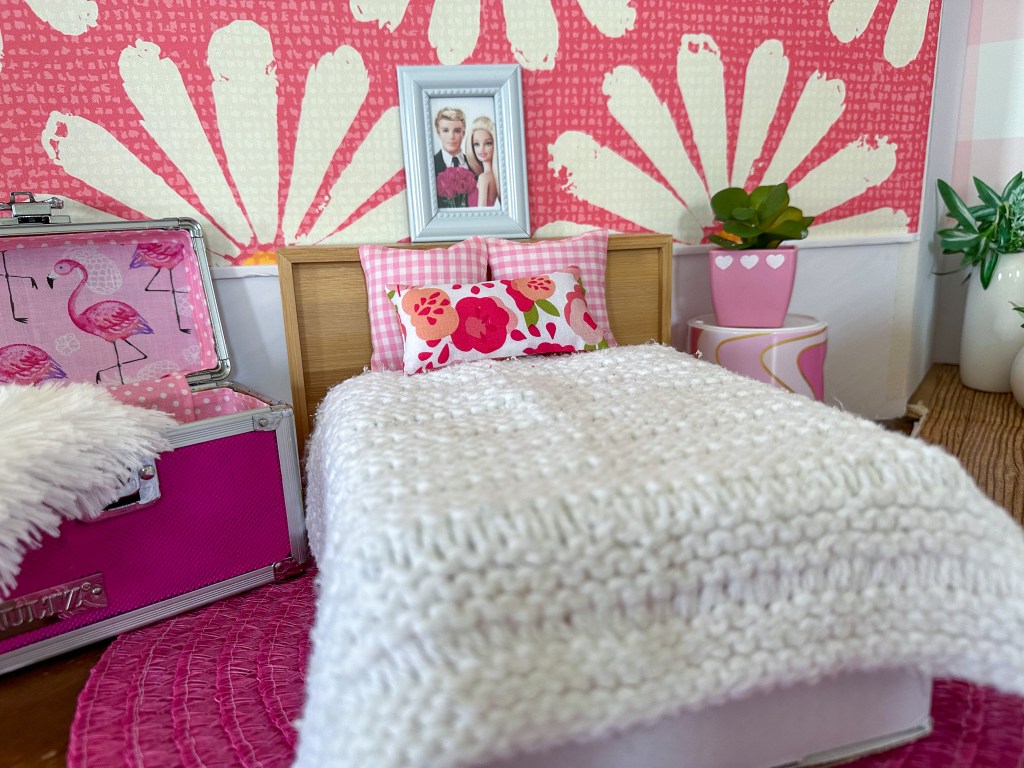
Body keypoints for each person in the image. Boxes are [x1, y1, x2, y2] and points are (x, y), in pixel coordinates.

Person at [432, 106, 477, 208]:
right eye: (445, 130)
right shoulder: (430, 165)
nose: (451, 137)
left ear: (463, 133)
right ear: (438, 132)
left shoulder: (475, 165)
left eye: (457, 131)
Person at [464, 115, 499, 208]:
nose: (481, 149)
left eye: (488, 143)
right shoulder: (494, 177)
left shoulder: (483, 178)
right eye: (477, 144)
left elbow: (481, 211)